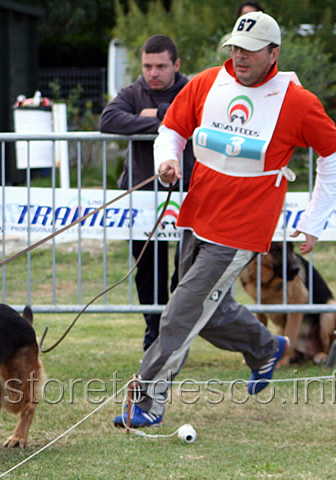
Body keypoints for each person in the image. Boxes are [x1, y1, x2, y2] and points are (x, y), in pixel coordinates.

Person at [114, 12, 336, 428]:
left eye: (251, 50)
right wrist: (168, 160)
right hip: (196, 213)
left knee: (181, 312)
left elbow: (334, 154)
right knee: (210, 313)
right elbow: (171, 129)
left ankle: (148, 399)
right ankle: (265, 348)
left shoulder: (296, 101)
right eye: (235, 48)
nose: (240, 57)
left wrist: (314, 219)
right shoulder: (207, 82)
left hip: (243, 228)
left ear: (273, 53)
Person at [100, 35, 195, 351]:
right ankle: (155, 334)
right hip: (141, 196)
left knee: (188, 269)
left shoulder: (191, 89)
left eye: (161, 66)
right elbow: (109, 120)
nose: (153, 73)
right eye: (147, 66)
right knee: (147, 272)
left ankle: (174, 330)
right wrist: (166, 119)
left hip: (188, 193)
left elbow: (198, 119)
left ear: (176, 65)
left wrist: (152, 115)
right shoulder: (131, 92)